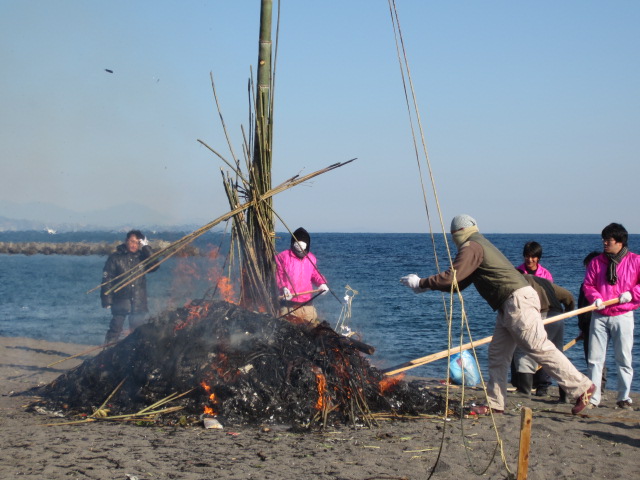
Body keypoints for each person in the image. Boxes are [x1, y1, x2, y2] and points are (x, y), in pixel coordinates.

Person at [400, 214, 594, 415]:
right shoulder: (478, 245)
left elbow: (452, 278)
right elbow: (458, 284)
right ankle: (495, 403)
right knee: (498, 355)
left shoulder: (471, 246)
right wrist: (424, 287)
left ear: (456, 233)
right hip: (508, 305)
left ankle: (582, 387)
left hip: (517, 301)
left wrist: (420, 283)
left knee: (538, 347)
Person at [582, 223, 640, 410]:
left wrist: (632, 293)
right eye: (604, 239)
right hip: (599, 314)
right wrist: (596, 298)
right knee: (595, 359)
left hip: (623, 314)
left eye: (609, 240)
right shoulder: (596, 262)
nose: (605, 243)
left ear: (620, 242)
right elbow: (588, 285)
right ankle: (594, 397)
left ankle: (624, 397)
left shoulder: (635, 261)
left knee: (623, 358)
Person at [513, 274, 574, 402]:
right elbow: (568, 296)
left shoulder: (521, 283)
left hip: (544, 316)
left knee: (524, 352)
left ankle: (525, 392)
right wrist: (566, 313)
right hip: (558, 318)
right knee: (557, 356)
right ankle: (565, 396)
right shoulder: (544, 282)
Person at [101, 230, 159, 344]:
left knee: (137, 332)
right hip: (121, 301)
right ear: (126, 241)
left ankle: (133, 356)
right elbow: (107, 279)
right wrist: (106, 299)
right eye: (132, 241)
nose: (134, 245)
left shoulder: (142, 257)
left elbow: (155, 266)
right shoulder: (115, 257)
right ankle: (107, 352)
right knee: (115, 329)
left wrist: (146, 248)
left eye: (137, 243)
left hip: (138, 301)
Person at [275, 227, 329, 325]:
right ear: (293, 244)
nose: (300, 249)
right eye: (297, 245)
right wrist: (283, 288)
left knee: (311, 330)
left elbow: (315, 273)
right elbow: (278, 274)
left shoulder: (311, 258)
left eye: (302, 246)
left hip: (307, 304)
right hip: (288, 304)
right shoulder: (283, 256)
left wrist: (321, 283)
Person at [577, 251, 607, 393]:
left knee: (598, 355)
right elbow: (581, 306)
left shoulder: (601, 287)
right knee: (590, 356)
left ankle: (600, 386)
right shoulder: (585, 285)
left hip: (598, 323)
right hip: (586, 325)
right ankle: (593, 385)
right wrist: (581, 327)